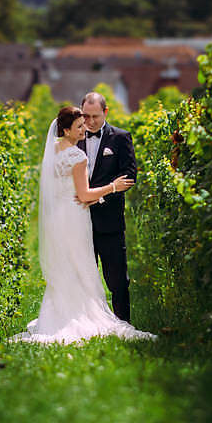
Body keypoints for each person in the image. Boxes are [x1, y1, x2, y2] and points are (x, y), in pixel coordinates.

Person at [11, 105, 155, 344]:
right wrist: (112, 187)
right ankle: (79, 315)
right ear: (66, 129)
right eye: (79, 126)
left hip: (58, 216)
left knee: (65, 265)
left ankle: (57, 315)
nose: (84, 129)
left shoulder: (54, 149)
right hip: (75, 216)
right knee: (79, 264)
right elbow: (85, 195)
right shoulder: (78, 156)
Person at [76, 92, 137, 322]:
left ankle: (123, 323)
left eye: (95, 116)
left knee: (118, 279)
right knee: (82, 278)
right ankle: (85, 324)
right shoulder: (74, 138)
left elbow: (129, 177)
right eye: (86, 116)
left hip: (109, 221)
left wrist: (98, 197)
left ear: (106, 112)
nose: (90, 122)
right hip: (78, 220)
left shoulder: (120, 138)